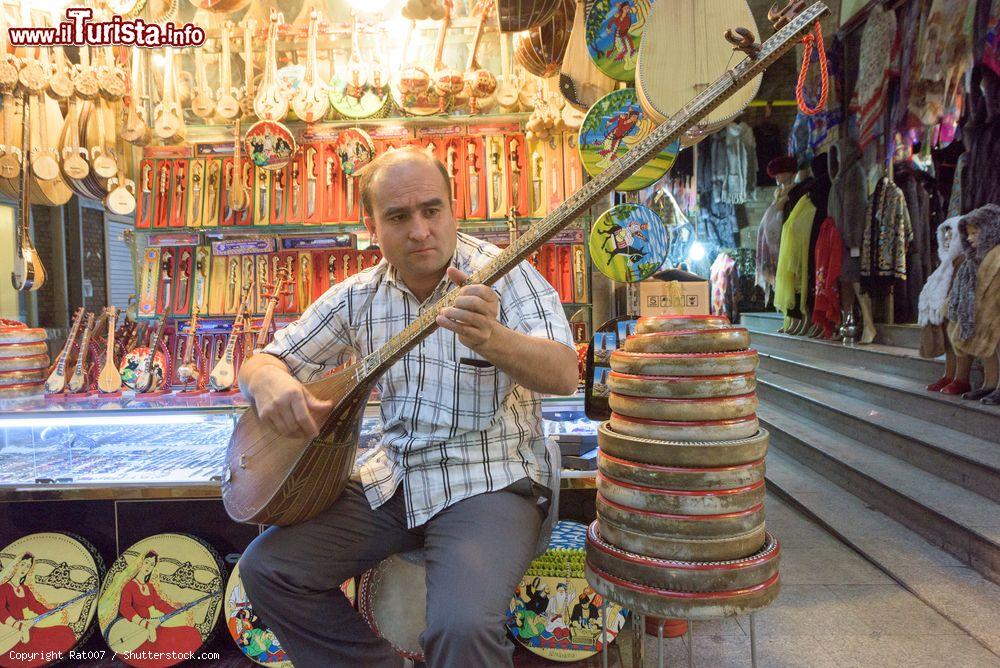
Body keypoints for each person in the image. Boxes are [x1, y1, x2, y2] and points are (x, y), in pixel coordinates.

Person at [237, 146, 579, 667]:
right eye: (398, 216)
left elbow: (562, 372)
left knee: (460, 629)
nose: (420, 230)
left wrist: (492, 338)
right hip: (392, 479)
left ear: (452, 209)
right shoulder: (359, 296)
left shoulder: (508, 274)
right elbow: (265, 360)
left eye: (431, 210)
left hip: (490, 480)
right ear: (371, 226)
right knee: (268, 570)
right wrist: (268, 383)